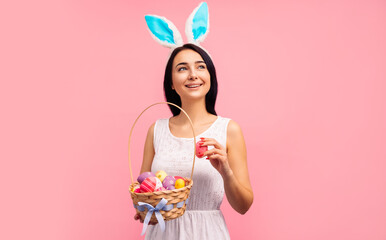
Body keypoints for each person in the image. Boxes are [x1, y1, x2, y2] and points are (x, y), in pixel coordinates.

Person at [134, 3, 253, 239]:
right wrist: (144, 206)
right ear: (171, 81)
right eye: (182, 68)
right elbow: (142, 190)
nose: (193, 74)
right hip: (163, 234)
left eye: (201, 67)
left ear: (210, 76)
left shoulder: (228, 130)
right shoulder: (156, 130)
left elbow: (243, 206)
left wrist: (225, 170)